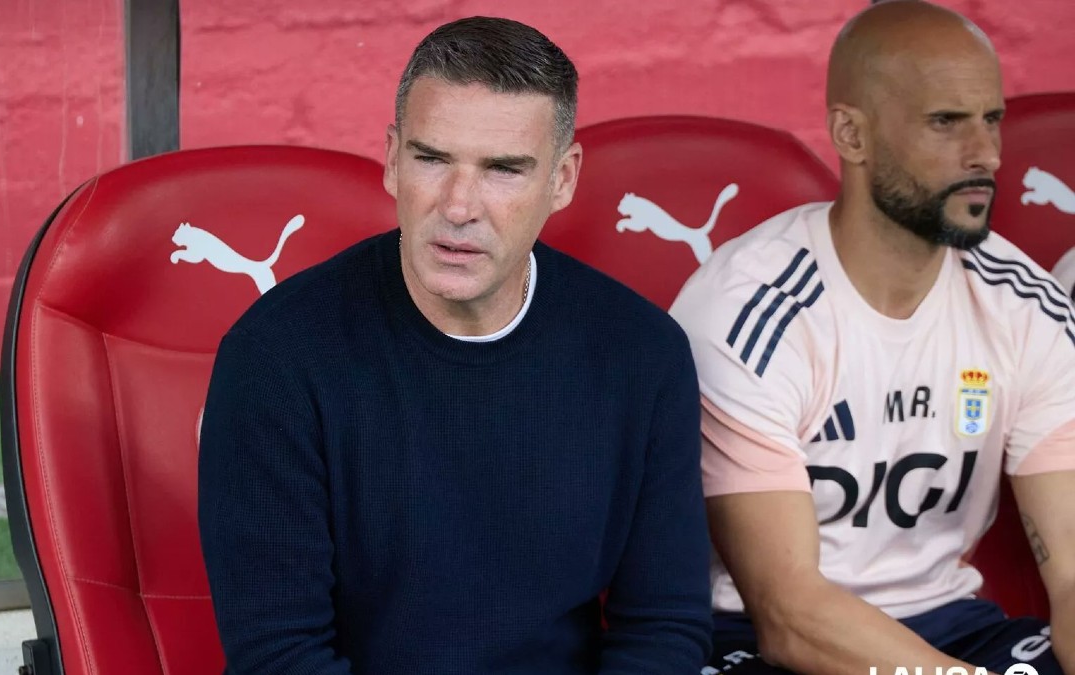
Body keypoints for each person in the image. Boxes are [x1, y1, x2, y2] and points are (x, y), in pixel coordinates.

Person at [198, 16, 712, 675]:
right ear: (392, 160)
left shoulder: (642, 354)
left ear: (562, 179)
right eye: (432, 159)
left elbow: (664, 629)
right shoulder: (276, 356)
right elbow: (278, 654)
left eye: (503, 169)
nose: (459, 206)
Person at [670, 2, 1075, 674]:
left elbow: (1072, 571)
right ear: (851, 135)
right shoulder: (748, 310)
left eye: (991, 119)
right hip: (761, 638)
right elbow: (789, 612)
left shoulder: (1025, 302)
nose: (987, 154)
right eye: (946, 122)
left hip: (953, 626)